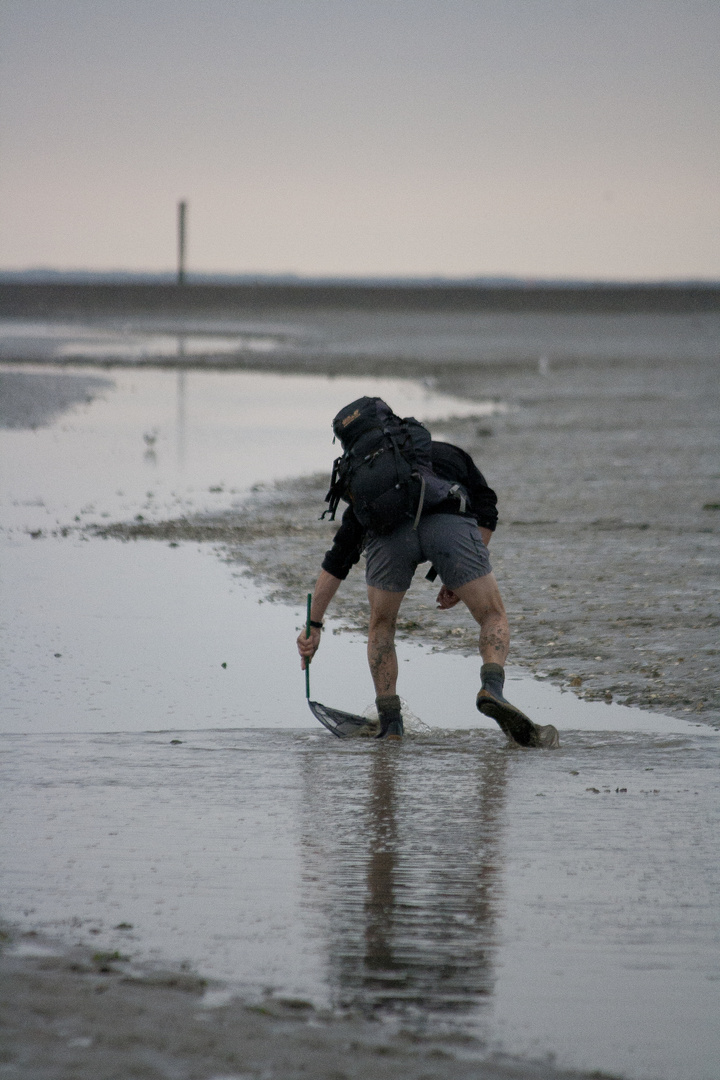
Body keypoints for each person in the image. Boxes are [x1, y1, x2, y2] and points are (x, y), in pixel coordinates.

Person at [296, 399, 558, 748]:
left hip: (390, 541)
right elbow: (487, 506)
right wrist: (451, 578)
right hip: (448, 527)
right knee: (491, 614)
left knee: (382, 625)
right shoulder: (447, 453)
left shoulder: (369, 486)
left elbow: (338, 559)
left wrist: (313, 626)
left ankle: (390, 723)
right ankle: (491, 687)